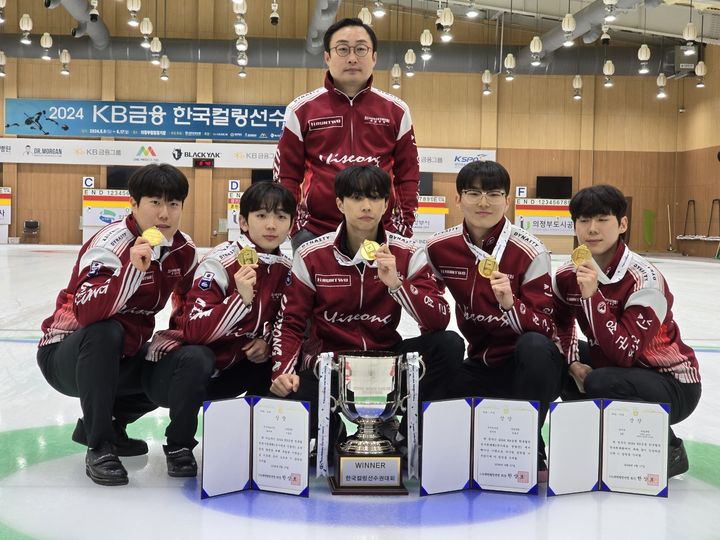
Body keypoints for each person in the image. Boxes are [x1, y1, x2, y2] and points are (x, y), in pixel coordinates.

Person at [269, 165, 463, 448]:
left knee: (449, 345)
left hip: (387, 364)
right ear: (340, 203)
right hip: (331, 367)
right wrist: (282, 371)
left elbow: (438, 320)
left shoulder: (407, 252)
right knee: (283, 398)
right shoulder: (312, 255)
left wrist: (396, 284)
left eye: (374, 198)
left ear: (386, 204)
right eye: (357, 198)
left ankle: (413, 433)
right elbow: (291, 321)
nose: (366, 206)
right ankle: (331, 427)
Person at [36, 164, 196, 486]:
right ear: (134, 204)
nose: (164, 214)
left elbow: (187, 310)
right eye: (154, 202)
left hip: (124, 353)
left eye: (174, 204)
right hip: (67, 350)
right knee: (106, 331)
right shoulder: (109, 243)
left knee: (171, 360)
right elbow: (88, 314)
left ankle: (114, 426)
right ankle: (99, 445)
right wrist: (132, 271)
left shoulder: (183, 250)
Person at [143, 181, 296, 477]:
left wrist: (265, 342)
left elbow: (289, 323)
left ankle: (259, 441)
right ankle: (179, 445)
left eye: (280, 217)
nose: (271, 225)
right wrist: (239, 300)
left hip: (229, 370)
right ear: (242, 221)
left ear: (291, 223)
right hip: (176, 372)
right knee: (200, 356)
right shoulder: (220, 262)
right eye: (262, 215)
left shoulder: (286, 269)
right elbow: (194, 331)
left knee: (277, 364)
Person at [424, 160, 565, 478]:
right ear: (458, 199)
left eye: (493, 193)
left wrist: (510, 305)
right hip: (479, 363)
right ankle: (418, 438)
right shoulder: (440, 248)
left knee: (534, 346)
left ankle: (530, 441)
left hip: (525, 366)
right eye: (473, 193)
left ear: (508, 199)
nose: (483, 202)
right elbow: (426, 307)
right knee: (442, 347)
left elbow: (547, 326)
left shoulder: (530, 252)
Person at [553, 184, 701, 478]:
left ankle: (669, 448)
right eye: (583, 220)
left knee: (601, 380)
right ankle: (599, 439)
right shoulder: (567, 274)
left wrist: (593, 296)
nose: (591, 229)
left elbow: (625, 353)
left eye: (602, 219)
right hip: (614, 365)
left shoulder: (645, 279)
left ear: (622, 224)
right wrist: (571, 363)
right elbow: (560, 324)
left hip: (671, 381)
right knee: (551, 358)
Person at [273, 17, 420, 250]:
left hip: (382, 233)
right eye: (342, 49)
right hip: (316, 233)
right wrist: (294, 227)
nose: (352, 58)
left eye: (361, 49)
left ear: (374, 57)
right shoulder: (301, 110)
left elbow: (408, 175)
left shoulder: (396, 111)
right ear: (327, 57)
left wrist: (403, 228)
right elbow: (286, 176)